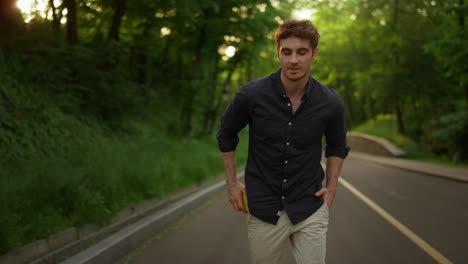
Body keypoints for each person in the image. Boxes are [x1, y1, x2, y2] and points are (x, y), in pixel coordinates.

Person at [216, 19, 350, 264]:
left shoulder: (330, 102)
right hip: (264, 208)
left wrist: (331, 187)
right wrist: (232, 184)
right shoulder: (251, 95)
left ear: (314, 54)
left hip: (311, 206)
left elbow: (337, 146)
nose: (293, 60)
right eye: (286, 52)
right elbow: (226, 133)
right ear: (278, 53)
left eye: (302, 52)